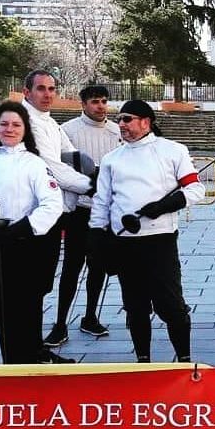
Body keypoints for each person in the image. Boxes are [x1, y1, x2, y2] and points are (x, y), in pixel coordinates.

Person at [88, 100, 205, 363]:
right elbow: (101, 202)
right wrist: (96, 240)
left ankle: (184, 360)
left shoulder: (173, 151)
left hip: (160, 242)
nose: (121, 124)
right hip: (125, 243)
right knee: (135, 307)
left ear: (145, 122)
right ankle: (142, 361)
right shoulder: (111, 160)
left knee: (171, 306)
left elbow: (196, 189)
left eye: (127, 119)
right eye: (119, 120)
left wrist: (166, 205)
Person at [0, 100, 66, 364]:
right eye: (4, 124)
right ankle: (11, 363)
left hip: (23, 247)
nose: (9, 129)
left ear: (24, 129)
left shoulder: (34, 164)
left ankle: (29, 361)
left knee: (25, 308)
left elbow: (53, 204)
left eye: (16, 124)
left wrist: (21, 229)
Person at [43, 84, 122, 345]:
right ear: (84, 104)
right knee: (71, 268)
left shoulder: (116, 131)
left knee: (98, 267)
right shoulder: (67, 132)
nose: (101, 106)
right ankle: (60, 323)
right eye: (95, 102)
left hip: (106, 211)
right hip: (79, 209)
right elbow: (58, 168)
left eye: (104, 101)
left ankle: (90, 317)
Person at [20, 70, 92, 335]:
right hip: (34, 214)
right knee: (33, 284)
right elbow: (52, 167)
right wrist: (92, 187)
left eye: (51, 89)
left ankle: (34, 345)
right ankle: (29, 347)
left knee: (41, 284)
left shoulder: (49, 121)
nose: (47, 94)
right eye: (41, 88)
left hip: (54, 213)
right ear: (26, 91)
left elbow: (72, 155)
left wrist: (97, 174)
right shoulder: (27, 121)